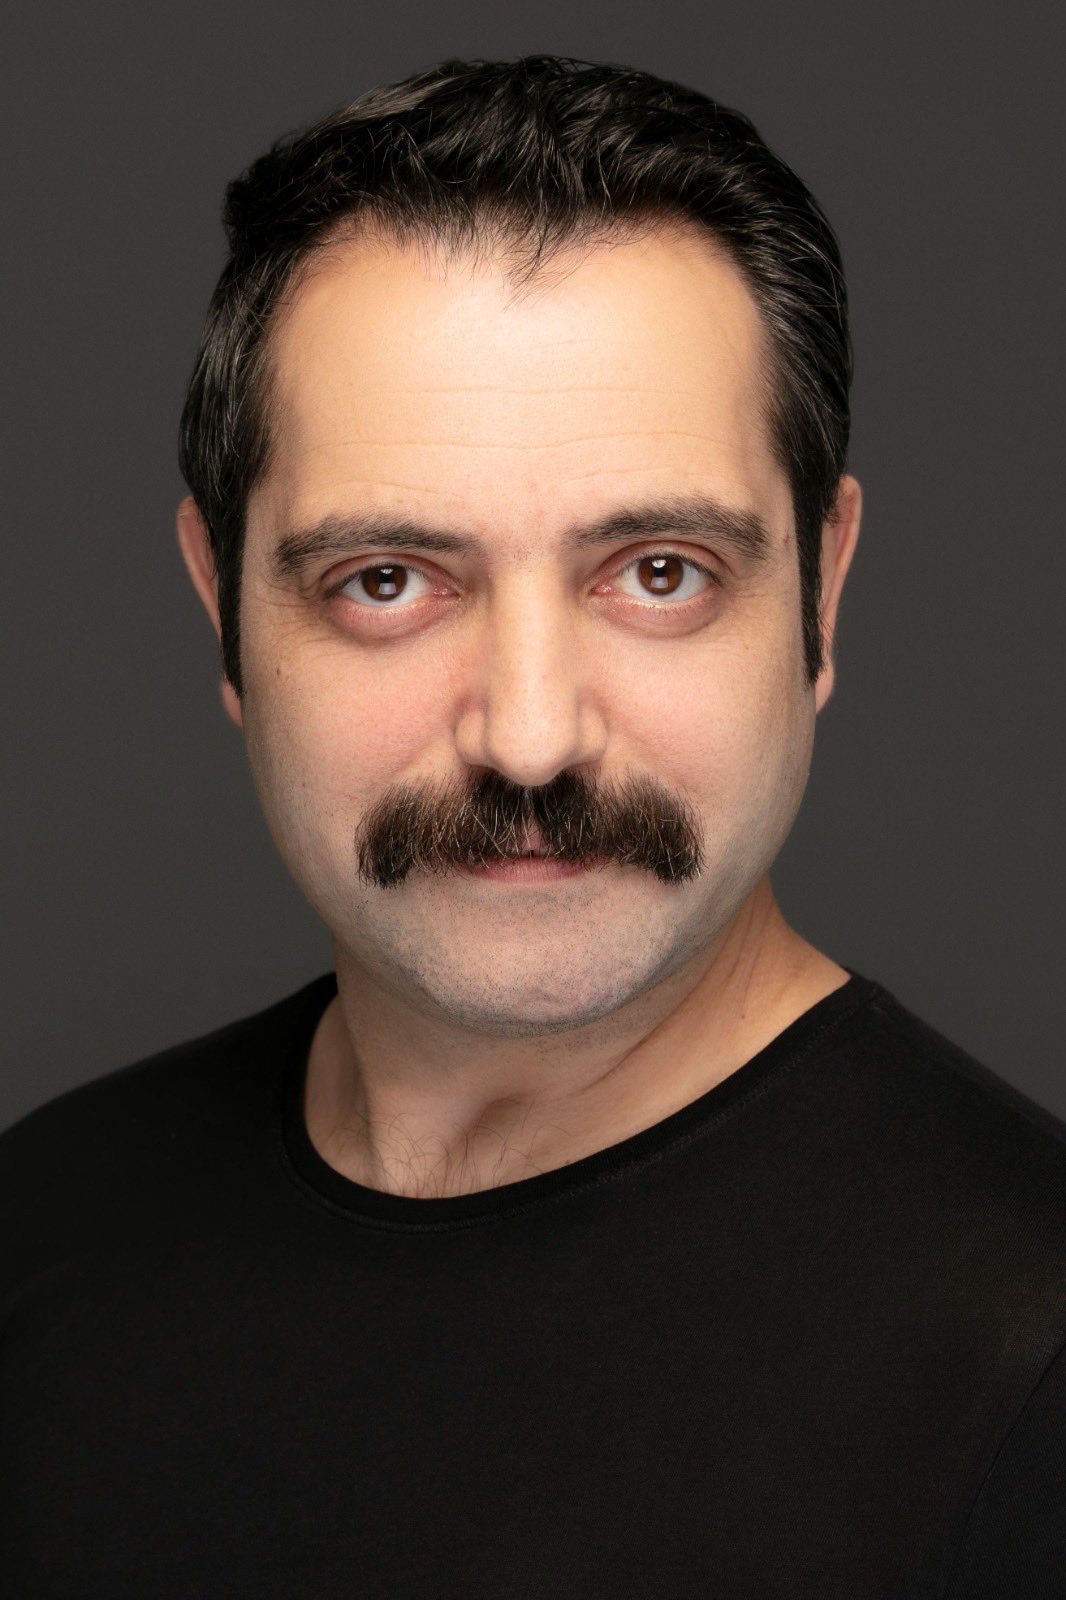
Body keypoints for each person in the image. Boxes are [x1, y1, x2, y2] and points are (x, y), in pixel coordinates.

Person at [1, 53, 1063, 1598]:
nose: (529, 733)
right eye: (386, 582)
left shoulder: (1029, 1363)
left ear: (820, 595)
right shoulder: (45, 1228)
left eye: (657, 573)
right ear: (219, 606)